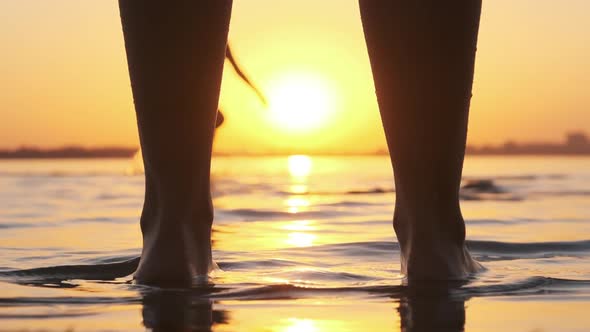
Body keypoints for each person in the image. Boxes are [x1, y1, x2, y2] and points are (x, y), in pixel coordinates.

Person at [118, 0, 484, 286]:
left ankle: (173, 239)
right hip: (207, 101)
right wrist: (259, 95)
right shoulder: (223, 48)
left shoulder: (218, 45)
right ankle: (433, 240)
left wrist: (259, 95)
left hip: (198, 96)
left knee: (177, 221)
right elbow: (239, 70)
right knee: (432, 231)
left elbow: (239, 71)